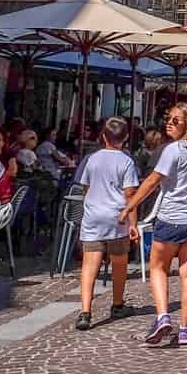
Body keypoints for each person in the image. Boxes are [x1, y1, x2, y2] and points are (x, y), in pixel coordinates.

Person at [119, 103, 187, 346]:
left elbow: (153, 180)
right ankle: (185, 328)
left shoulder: (174, 150)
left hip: (172, 217)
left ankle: (163, 315)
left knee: (158, 267)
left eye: (176, 120)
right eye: (168, 119)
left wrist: (130, 205)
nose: (169, 123)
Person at [72, 117, 140, 331]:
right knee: (119, 263)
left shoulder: (92, 159)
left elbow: (84, 186)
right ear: (126, 138)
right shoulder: (126, 161)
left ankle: (85, 312)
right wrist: (133, 224)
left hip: (93, 217)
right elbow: (130, 195)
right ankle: (117, 304)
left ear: (103, 137)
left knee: (89, 265)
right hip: (116, 218)